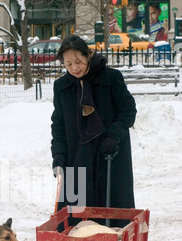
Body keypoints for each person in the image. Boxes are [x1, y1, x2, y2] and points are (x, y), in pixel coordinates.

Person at [51, 35, 137, 227]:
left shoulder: (111, 78)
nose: (74, 68)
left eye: (79, 61)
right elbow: (58, 124)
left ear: (88, 55)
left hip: (110, 155)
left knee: (112, 212)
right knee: (76, 215)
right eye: (68, 64)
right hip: (77, 156)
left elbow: (128, 110)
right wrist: (58, 155)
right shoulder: (61, 87)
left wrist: (114, 135)